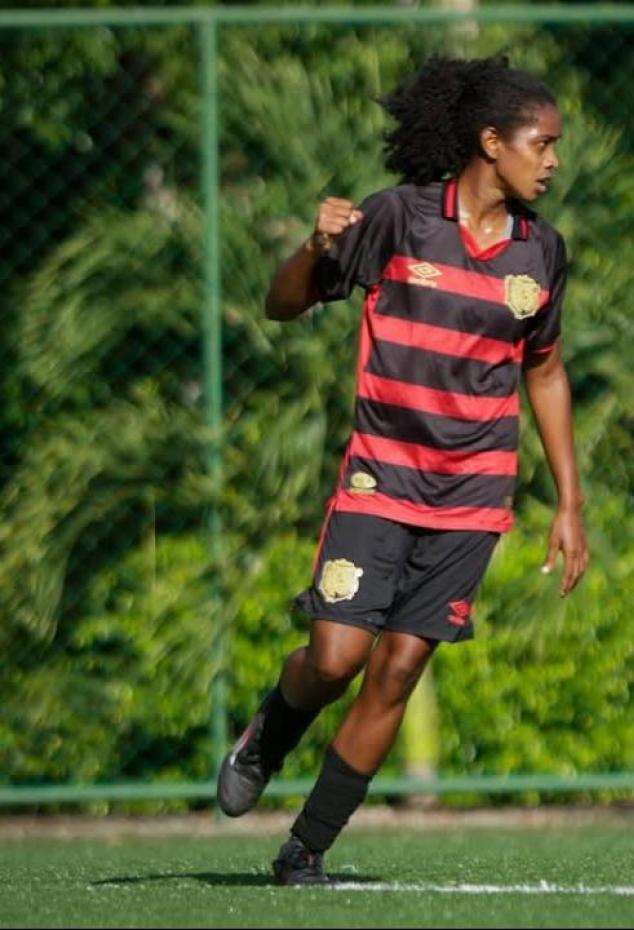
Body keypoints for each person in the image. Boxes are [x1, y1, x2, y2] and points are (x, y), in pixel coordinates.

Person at [217, 54, 589, 886]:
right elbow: (284, 304)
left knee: (398, 669)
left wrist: (569, 501)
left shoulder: (543, 254)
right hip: (379, 481)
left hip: (471, 501)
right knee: (338, 659)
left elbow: (547, 371)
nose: (554, 160)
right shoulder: (398, 220)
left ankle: (305, 849)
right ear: (492, 142)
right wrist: (313, 248)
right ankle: (272, 730)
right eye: (543, 143)